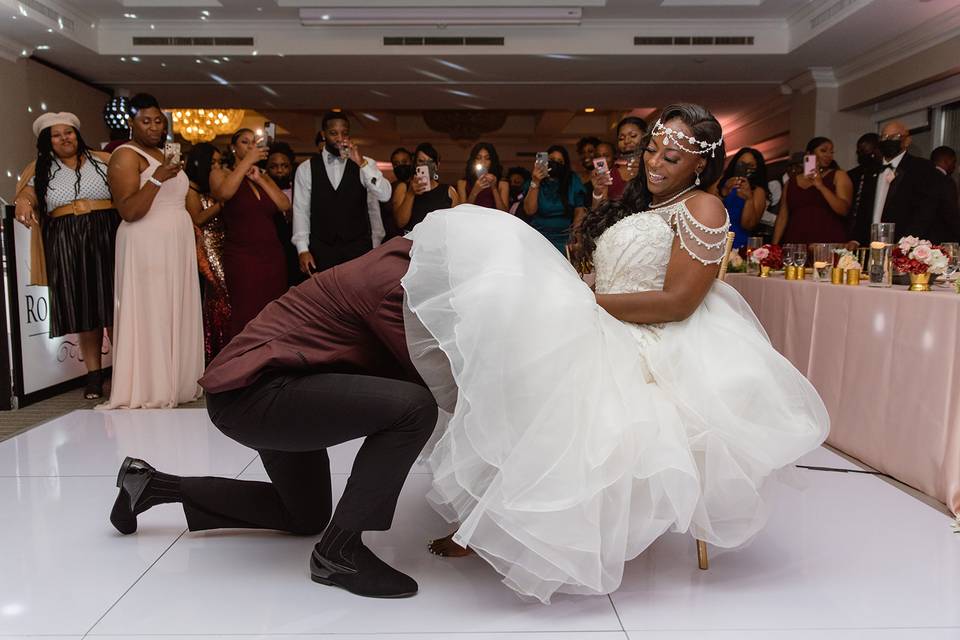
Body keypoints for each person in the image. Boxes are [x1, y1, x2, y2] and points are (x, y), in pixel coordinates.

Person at [403, 104, 828, 603]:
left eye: (672, 157)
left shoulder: (704, 208)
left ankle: (520, 525)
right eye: (651, 150)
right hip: (610, 316)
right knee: (516, 346)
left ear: (700, 165)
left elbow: (678, 301)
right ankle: (494, 517)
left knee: (555, 377)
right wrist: (581, 289)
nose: (655, 163)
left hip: (658, 336)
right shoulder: (643, 207)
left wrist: (587, 304)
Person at [109, 236, 438, 600]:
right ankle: (340, 554)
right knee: (416, 407)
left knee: (306, 516)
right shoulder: (394, 284)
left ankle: (150, 485)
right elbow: (434, 382)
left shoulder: (400, 264)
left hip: (278, 381)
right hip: (257, 391)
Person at [101, 93, 203, 409]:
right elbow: (129, 210)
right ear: (131, 123)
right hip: (146, 242)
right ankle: (150, 385)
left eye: (159, 120)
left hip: (175, 243)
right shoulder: (125, 156)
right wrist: (158, 179)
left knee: (174, 308)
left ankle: (176, 380)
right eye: (146, 120)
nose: (154, 126)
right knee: (153, 311)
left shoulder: (164, 154)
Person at [14, 112, 119, 399]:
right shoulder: (41, 168)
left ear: (77, 133)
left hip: (107, 234)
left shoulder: (103, 160)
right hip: (66, 239)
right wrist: (23, 200)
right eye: (56, 135)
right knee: (85, 308)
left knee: (115, 306)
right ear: (48, 142)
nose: (64, 138)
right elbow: (28, 195)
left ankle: (124, 372)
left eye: (68, 132)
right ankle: (94, 376)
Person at [210, 129, 291, 341]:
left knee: (273, 314)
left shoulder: (262, 176)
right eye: (245, 142)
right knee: (246, 314)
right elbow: (224, 194)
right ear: (233, 147)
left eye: (254, 142)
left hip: (272, 255)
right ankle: (243, 365)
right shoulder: (221, 174)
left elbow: (284, 204)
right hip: (243, 257)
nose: (251, 146)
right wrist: (247, 163)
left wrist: (260, 179)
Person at [292, 112, 391, 275]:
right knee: (324, 298)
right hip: (322, 248)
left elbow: (384, 195)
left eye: (344, 133)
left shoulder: (366, 163)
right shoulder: (306, 168)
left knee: (358, 297)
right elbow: (300, 210)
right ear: (323, 135)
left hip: (358, 248)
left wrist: (361, 164)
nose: (339, 138)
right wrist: (302, 249)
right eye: (333, 133)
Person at [849, 122, 960, 244]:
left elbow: (925, 211)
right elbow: (863, 209)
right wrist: (856, 239)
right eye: (884, 137)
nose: (888, 141)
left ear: (907, 141)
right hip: (872, 245)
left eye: (894, 137)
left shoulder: (922, 168)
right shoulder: (871, 170)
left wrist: (907, 243)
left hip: (905, 246)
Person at [184, 143, 230, 364]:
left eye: (219, 162)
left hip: (225, 244)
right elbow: (197, 220)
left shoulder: (214, 185)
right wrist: (222, 204)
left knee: (225, 297)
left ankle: (226, 348)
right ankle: (215, 352)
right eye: (212, 162)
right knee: (218, 297)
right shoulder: (191, 188)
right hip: (207, 247)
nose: (216, 166)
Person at [773, 136, 852, 244]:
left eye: (831, 152)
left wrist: (821, 186)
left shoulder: (839, 175)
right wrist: (774, 246)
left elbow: (843, 210)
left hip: (827, 242)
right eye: (823, 151)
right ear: (809, 154)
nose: (829, 155)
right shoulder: (791, 182)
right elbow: (783, 216)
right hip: (795, 241)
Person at [522, 144, 587, 252]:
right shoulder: (534, 180)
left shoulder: (572, 180)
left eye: (560, 162)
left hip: (564, 239)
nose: (555, 163)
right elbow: (529, 210)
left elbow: (579, 211)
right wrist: (536, 181)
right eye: (552, 159)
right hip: (538, 238)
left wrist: (575, 237)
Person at [392, 142, 460, 233]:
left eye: (430, 161)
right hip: (412, 243)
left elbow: (456, 225)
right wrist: (410, 194)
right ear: (415, 164)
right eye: (421, 161)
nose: (426, 165)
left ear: (437, 165)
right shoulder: (403, 187)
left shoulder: (449, 191)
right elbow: (400, 223)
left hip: (438, 243)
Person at [710, 147, 769, 248]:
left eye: (750, 165)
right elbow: (709, 210)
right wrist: (724, 191)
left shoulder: (758, 191)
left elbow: (748, 225)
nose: (745, 168)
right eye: (742, 164)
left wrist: (749, 199)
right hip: (714, 238)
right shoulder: (721, 182)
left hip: (739, 242)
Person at [266, 141, 304, 286]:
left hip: (294, 251)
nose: (280, 170)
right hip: (270, 251)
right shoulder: (262, 192)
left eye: (284, 166)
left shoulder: (299, 190)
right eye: (274, 166)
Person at [590, 117, 647, 206]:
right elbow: (599, 211)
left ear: (646, 136)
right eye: (621, 138)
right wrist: (598, 192)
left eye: (633, 136)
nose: (627, 141)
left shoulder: (654, 167)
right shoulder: (610, 173)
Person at [845, 133, 881, 242]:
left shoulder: (884, 174)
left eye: (868, 151)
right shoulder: (851, 175)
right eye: (860, 151)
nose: (863, 154)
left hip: (876, 231)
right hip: (851, 231)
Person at [457, 142, 509, 211]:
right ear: (473, 161)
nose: (483, 162)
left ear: (492, 161)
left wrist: (494, 188)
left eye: (487, 158)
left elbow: (505, 213)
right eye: (478, 158)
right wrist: (475, 191)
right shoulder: (463, 183)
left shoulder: (503, 184)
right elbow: (461, 211)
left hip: (492, 220)